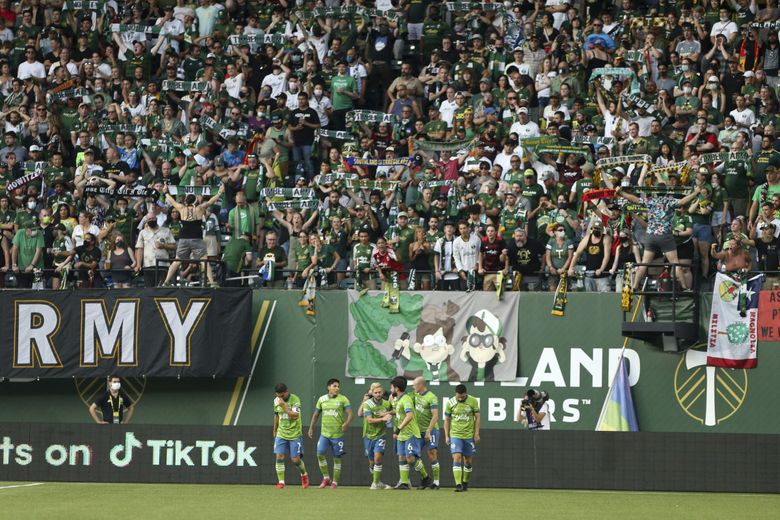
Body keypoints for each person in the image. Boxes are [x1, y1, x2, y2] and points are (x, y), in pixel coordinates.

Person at [160, 183, 225, 287]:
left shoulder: (181, 208)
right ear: (196, 201)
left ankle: (166, 282)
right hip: (197, 238)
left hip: (183, 238)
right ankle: (212, 282)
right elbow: (211, 201)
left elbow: (172, 201)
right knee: (204, 260)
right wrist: (220, 192)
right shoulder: (200, 208)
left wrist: (166, 192)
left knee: (177, 260)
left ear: (186, 201)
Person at [308, 378, 353, 489]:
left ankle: (335, 482)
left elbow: (351, 414)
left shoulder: (343, 399)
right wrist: (311, 428)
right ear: (329, 387)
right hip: (325, 434)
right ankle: (326, 478)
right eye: (334, 386)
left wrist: (347, 423)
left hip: (337, 435)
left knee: (337, 458)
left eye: (338, 386)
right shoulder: (322, 399)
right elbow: (316, 415)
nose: (337, 388)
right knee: (320, 453)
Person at [390, 376, 432, 490]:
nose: (391, 389)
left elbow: (409, 416)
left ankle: (426, 478)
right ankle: (404, 483)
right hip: (402, 435)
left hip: (411, 433)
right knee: (402, 457)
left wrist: (398, 429)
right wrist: (388, 413)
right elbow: (399, 413)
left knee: (410, 458)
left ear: (397, 388)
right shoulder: (398, 400)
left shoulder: (406, 399)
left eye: (392, 387)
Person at [444, 383, 480, 492]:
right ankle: (458, 484)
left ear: (466, 393)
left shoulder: (473, 401)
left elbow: (477, 418)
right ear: (455, 394)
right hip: (455, 435)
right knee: (457, 457)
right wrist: (446, 435)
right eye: (458, 396)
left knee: (468, 461)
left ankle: (465, 483)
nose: (460, 398)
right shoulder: (450, 403)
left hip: (468, 435)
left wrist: (477, 433)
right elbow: (446, 420)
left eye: (462, 396)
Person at [272, 383, 309, 489]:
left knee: (295, 460)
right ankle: (281, 482)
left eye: (282, 396)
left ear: (286, 392)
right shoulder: (276, 400)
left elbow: (295, 416)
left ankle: (304, 475)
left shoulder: (295, 400)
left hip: (295, 434)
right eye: (278, 396)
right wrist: (274, 430)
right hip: (281, 433)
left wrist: (284, 406)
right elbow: (276, 415)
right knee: (279, 455)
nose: (280, 398)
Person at [357, 382, 392, 490]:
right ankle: (378, 482)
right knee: (372, 462)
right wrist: (383, 418)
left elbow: (393, 411)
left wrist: (390, 414)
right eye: (375, 392)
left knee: (378, 457)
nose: (378, 394)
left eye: (379, 392)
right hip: (368, 435)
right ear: (372, 393)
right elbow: (369, 420)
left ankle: (375, 483)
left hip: (380, 434)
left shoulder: (386, 404)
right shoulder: (368, 404)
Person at [413, 377, 441, 489]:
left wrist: (428, 431)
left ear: (420, 385)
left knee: (432, 454)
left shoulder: (432, 397)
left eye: (414, 385)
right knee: (414, 456)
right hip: (417, 431)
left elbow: (435, 416)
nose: (413, 387)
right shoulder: (413, 395)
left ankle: (436, 482)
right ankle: (425, 478)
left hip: (431, 430)